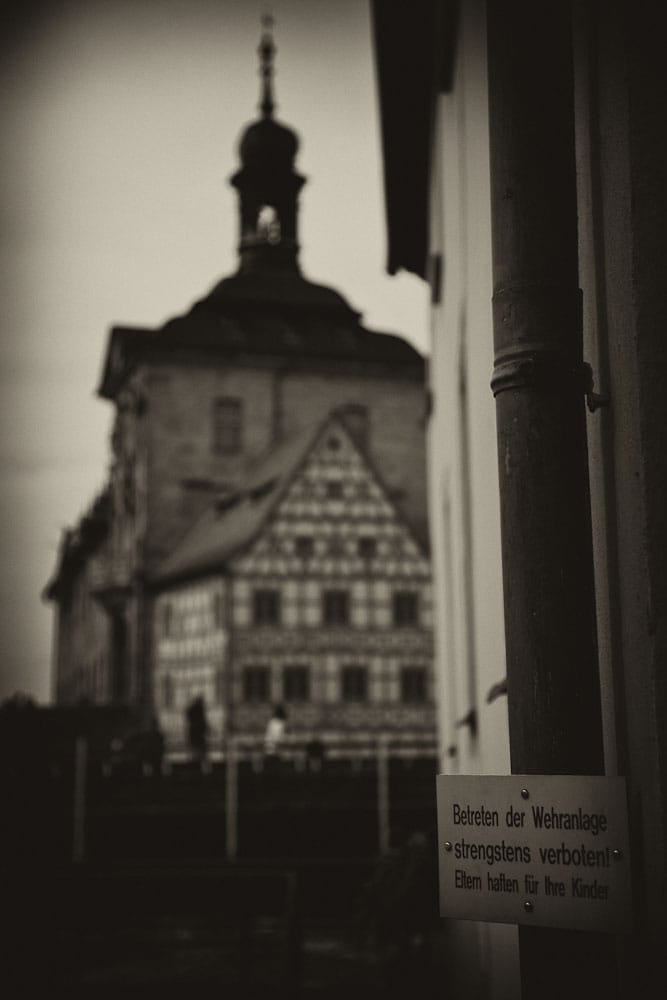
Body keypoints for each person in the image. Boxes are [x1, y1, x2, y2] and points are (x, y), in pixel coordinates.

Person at [186, 696, 208, 768]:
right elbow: (203, 725)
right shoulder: (199, 712)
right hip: (198, 738)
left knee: (194, 755)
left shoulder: (192, 711)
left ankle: (195, 767)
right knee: (199, 755)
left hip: (194, 737)